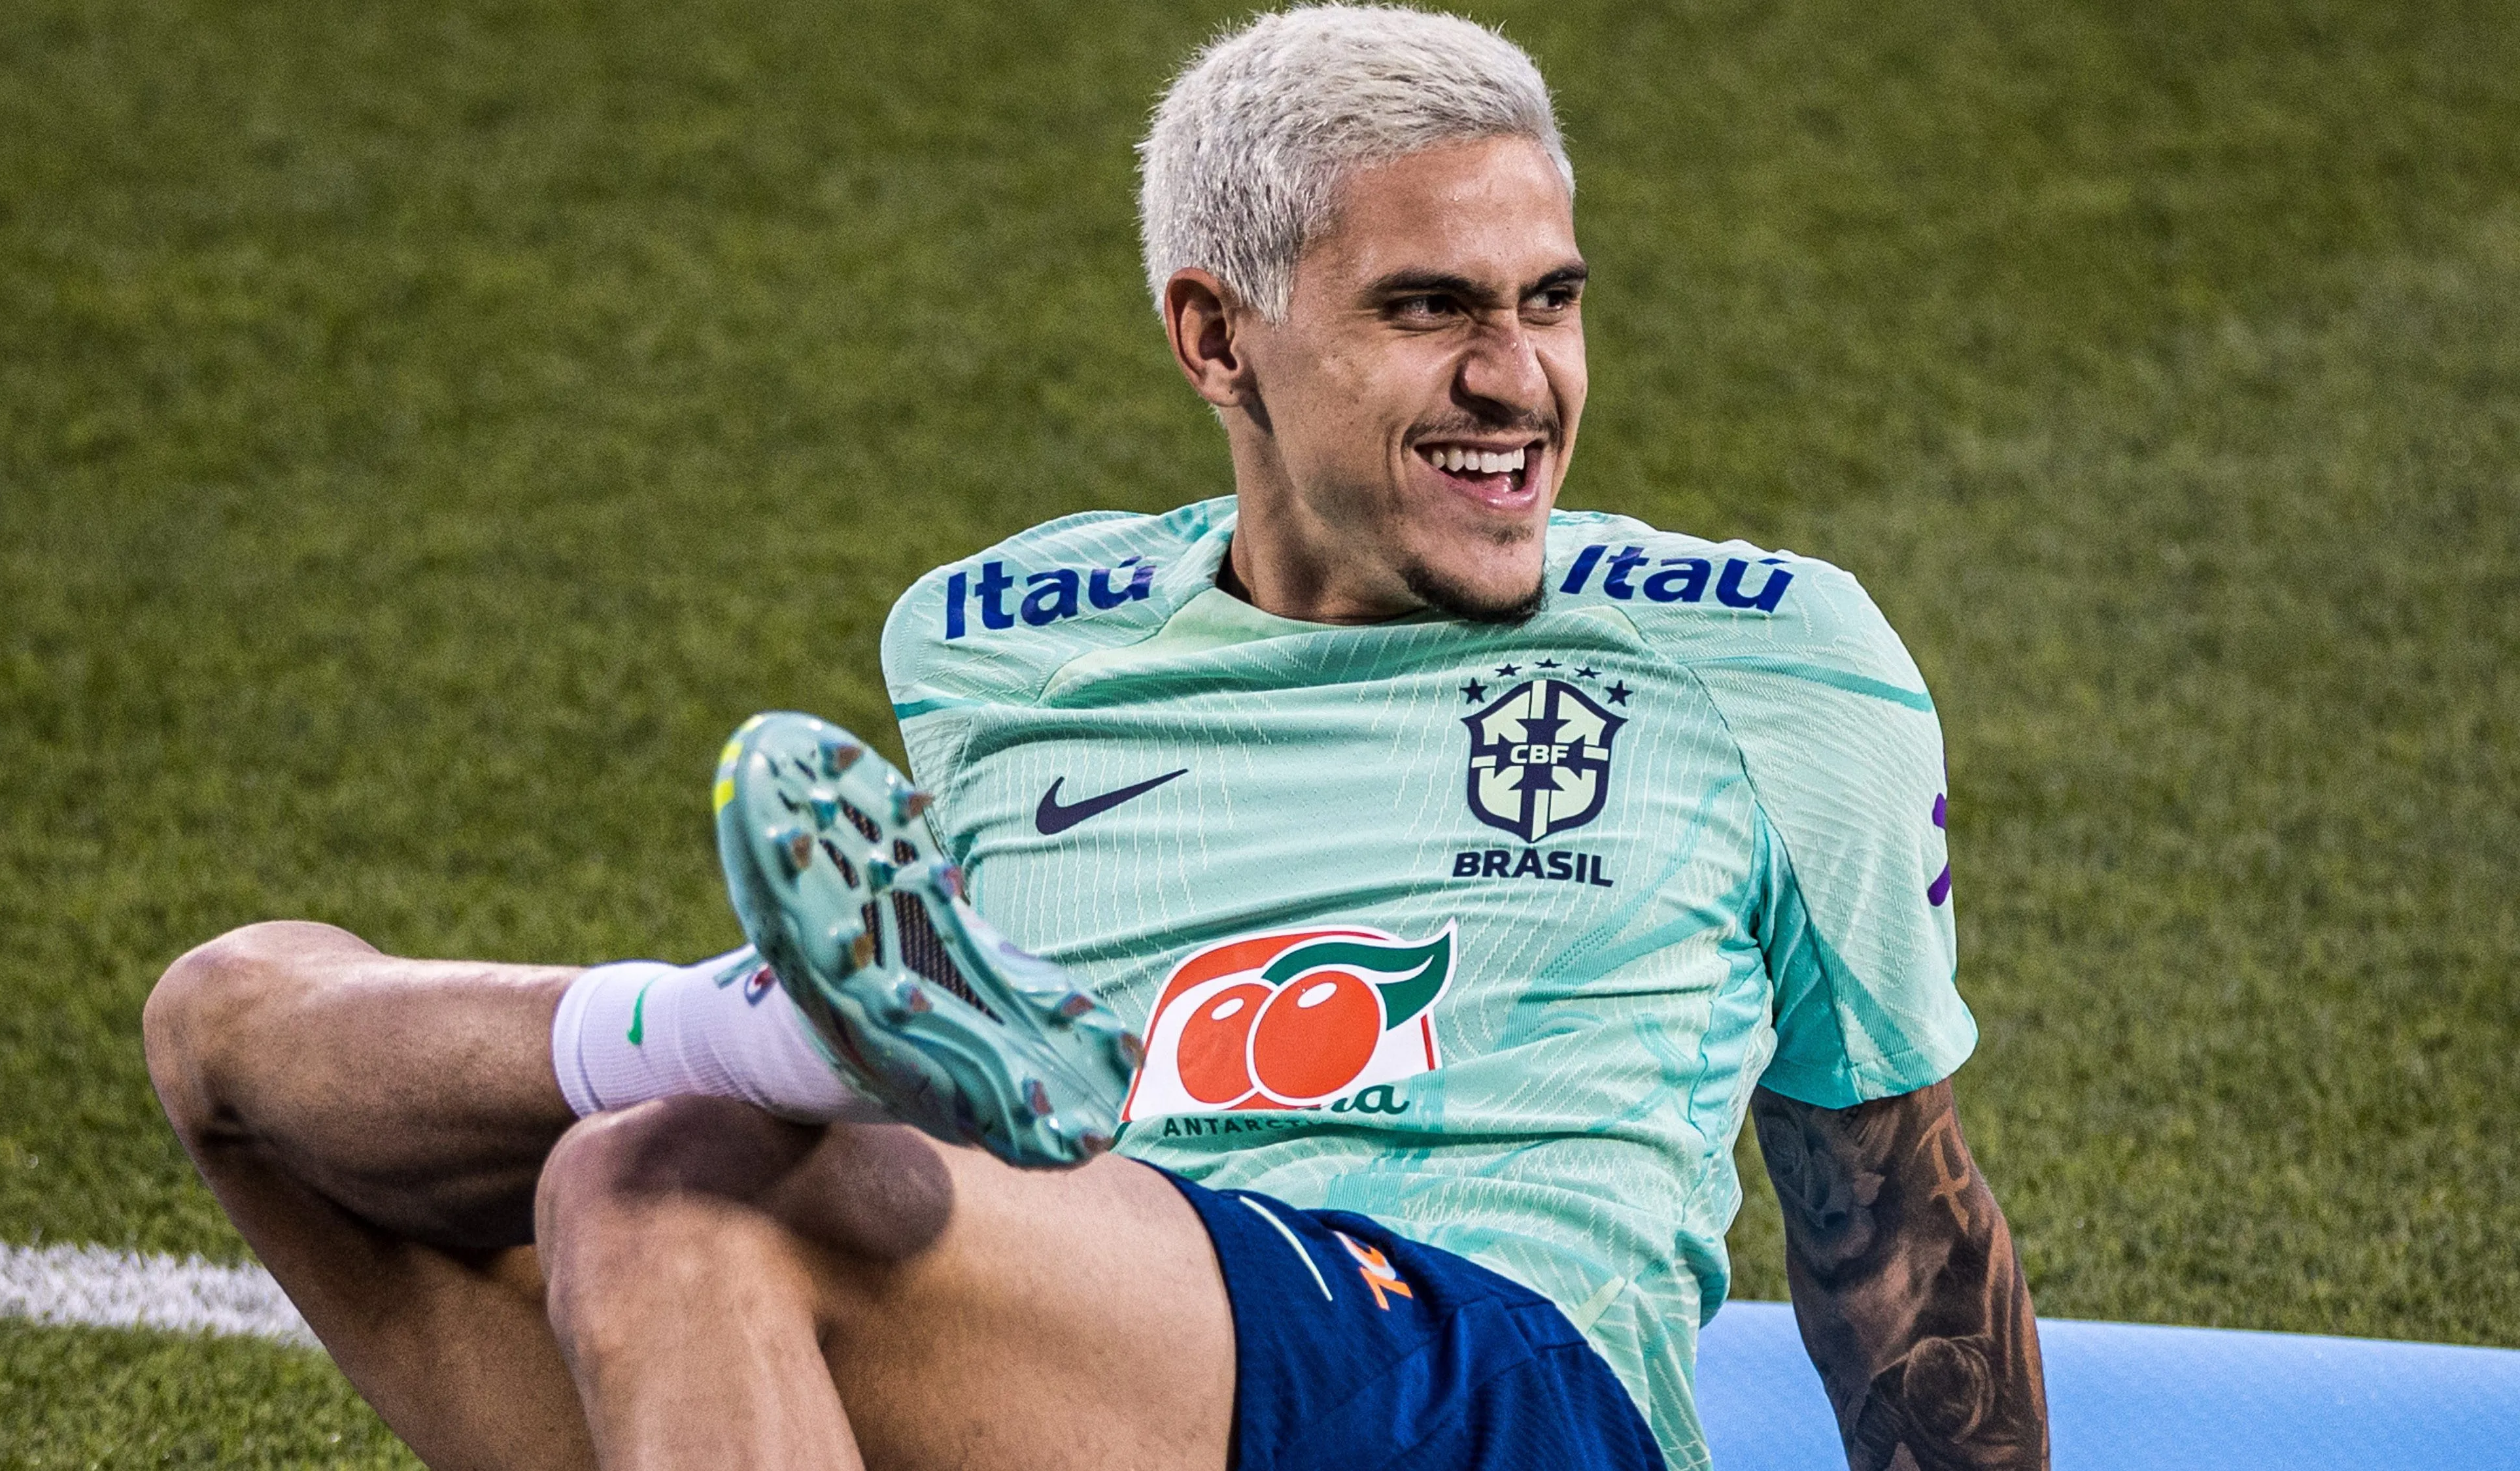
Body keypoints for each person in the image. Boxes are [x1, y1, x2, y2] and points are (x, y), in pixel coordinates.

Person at [141, 8, 2048, 1470]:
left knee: (661, 1186)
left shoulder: (1768, 660)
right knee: (226, 1035)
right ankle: (766, 1030)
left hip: (1484, 1372)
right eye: (1427, 310)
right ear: (1217, 340)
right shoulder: (999, 642)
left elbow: (1895, 1222)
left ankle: (778, 1044)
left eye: (1551, 303)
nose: (1519, 382)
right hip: (1091, 1337)